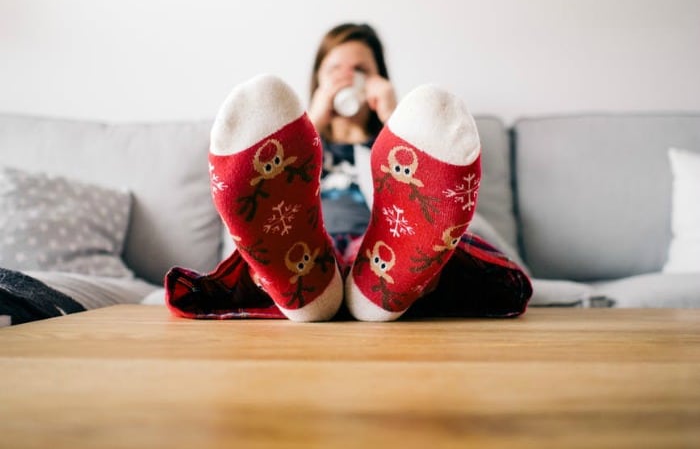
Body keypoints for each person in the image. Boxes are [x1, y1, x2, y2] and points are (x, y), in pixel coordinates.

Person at [164, 23, 532, 322]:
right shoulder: (290, 147)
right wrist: (313, 121)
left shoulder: (406, 147)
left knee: (432, 249)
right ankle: (320, 288)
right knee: (270, 252)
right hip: (301, 246)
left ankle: (369, 288)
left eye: (361, 71)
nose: (348, 78)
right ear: (317, 83)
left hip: (387, 247)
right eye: (335, 71)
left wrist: (393, 117)